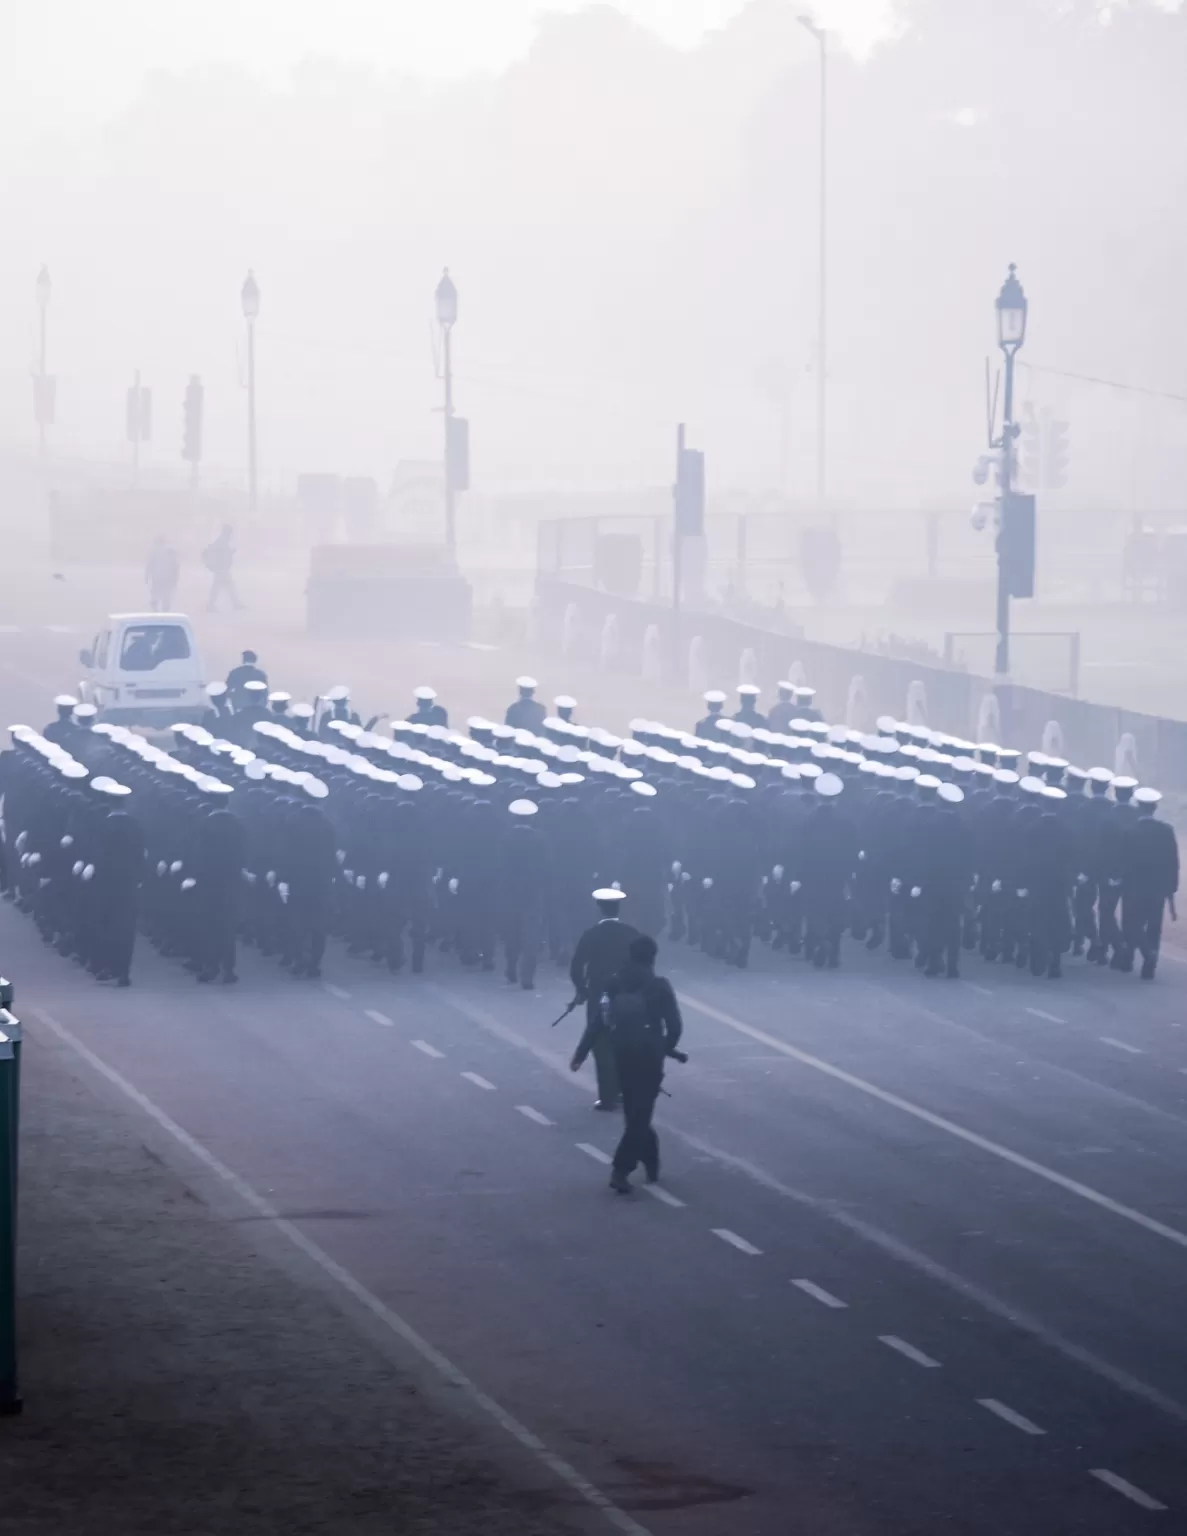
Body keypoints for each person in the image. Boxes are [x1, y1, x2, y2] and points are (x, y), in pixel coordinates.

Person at [603, 934, 683, 1194]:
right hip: (649, 1057)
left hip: (622, 1054)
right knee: (641, 1114)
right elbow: (674, 1026)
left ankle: (650, 1158)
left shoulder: (616, 982)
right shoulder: (659, 986)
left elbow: (601, 1019)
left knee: (634, 1113)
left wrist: (584, 1050)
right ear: (653, 957)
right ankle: (622, 1169)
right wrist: (666, 1048)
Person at [569, 888, 641, 1110]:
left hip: (600, 997)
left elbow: (576, 967)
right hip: (628, 998)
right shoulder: (632, 933)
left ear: (599, 909)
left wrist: (582, 990)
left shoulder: (591, 934)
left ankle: (607, 1097)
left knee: (601, 1046)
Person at [1121, 787, 1179, 980]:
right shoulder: (1166, 830)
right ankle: (1149, 966)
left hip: (1134, 886)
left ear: (1138, 808)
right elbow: (1173, 861)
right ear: (1154, 808)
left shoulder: (1130, 831)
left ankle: (1141, 953)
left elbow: (1125, 861)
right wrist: (1172, 887)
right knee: (1154, 925)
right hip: (1158, 887)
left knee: (1132, 923)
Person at [202, 524, 243, 612]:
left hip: (222, 569)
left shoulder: (221, 541)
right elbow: (222, 554)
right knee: (222, 587)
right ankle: (211, 605)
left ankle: (234, 603)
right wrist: (230, 552)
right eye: (230, 532)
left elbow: (222, 553)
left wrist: (230, 552)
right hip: (221, 569)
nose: (231, 535)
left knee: (225, 587)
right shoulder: (222, 541)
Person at [145, 536, 181, 612]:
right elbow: (176, 565)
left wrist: (147, 576)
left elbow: (149, 565)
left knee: (156, 591)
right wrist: (176, 577)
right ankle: (165, 608)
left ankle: (155, 605)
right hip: (168, 577)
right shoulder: (171, 551)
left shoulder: (153, 552)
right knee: (167, 593)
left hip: (156, 576)